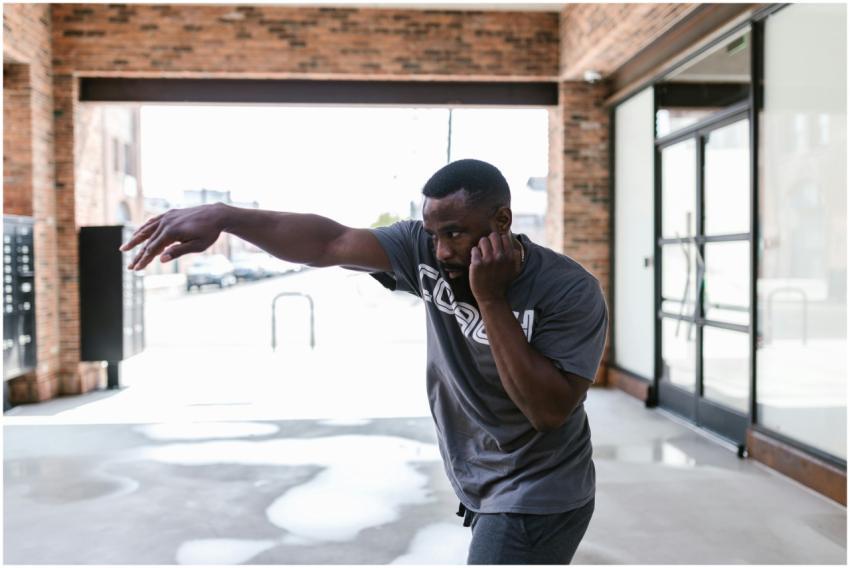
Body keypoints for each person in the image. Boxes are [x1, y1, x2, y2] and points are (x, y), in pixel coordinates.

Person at [120, 158, 608, 564]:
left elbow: (548, 412)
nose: (441, 251)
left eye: (456, 234)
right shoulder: (425, 250)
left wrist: (491, 300)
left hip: (541, 490)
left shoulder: (568, 290)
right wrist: (228, 216)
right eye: (433, 233)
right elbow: (329, 242)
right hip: (482, 476)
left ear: (502, 221)